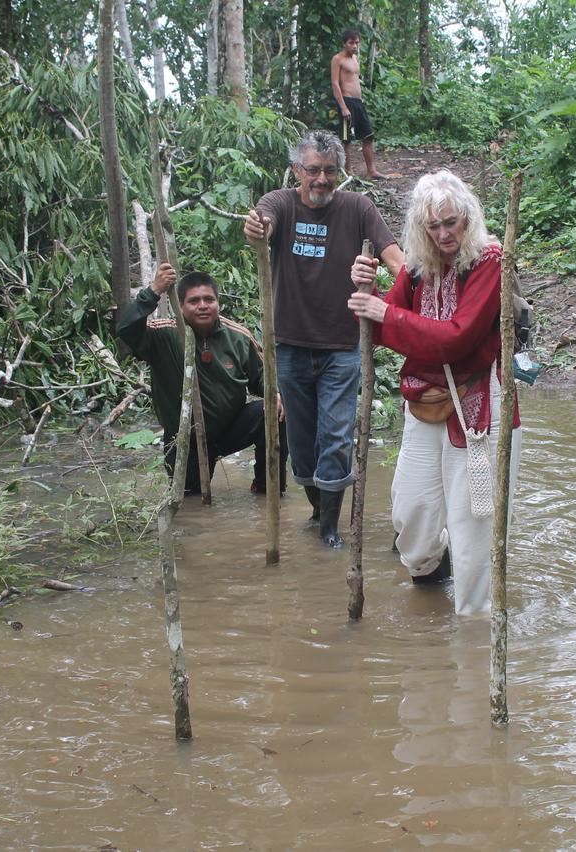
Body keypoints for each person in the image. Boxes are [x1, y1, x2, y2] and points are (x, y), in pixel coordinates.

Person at [348, 170, 521, 617]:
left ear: (467, 218)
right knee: (412, 517)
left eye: (452, 222)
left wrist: (385, 312)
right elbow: (379, 329)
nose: (444, 234)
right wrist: (365, 292)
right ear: (421, 229)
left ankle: (472, 628)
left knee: (473, 529)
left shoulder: (490, 261)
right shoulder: (418, 266)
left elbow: (455, 338)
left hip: (481, 403)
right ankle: (429, 573)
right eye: (434, 226)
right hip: (426, 403)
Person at [244, 130, 403, 547]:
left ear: (340, 172)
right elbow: (263, 224)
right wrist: (257, 231)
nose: (321, 179)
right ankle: (319, 511)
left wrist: (424, 286)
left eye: (330, 171)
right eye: (313, 170)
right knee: (301, 444)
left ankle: (331, 531)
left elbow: (394, 257)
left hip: (342, 345)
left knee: (334, 437)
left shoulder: (358, 208)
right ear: (297, 170)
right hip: (292, 346)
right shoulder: (280, 202)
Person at [116, 262, 286, 496]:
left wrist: (275, 394)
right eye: (194, 301)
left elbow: (263, 379)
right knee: (189, 504)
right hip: (185, 439)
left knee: (274, 412)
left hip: (230, 429)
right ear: (182, 306)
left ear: (218, 303)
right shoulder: (164, 334)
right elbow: (125, 328)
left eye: (209, 300)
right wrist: (155, 290)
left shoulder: (237, 337)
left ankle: (267, 489)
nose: (203, 306)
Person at [330, 29, 385, 180]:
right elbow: (335, 84)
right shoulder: (337, 59)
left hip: (358, 103)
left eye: (357, 43)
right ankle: (348, 172)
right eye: (351, 43)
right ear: (344, 43)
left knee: (368, 136)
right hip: (346, 102)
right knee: (346, 139)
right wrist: (343, 107)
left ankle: (371, 171)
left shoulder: (355, 59)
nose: (354, 46)